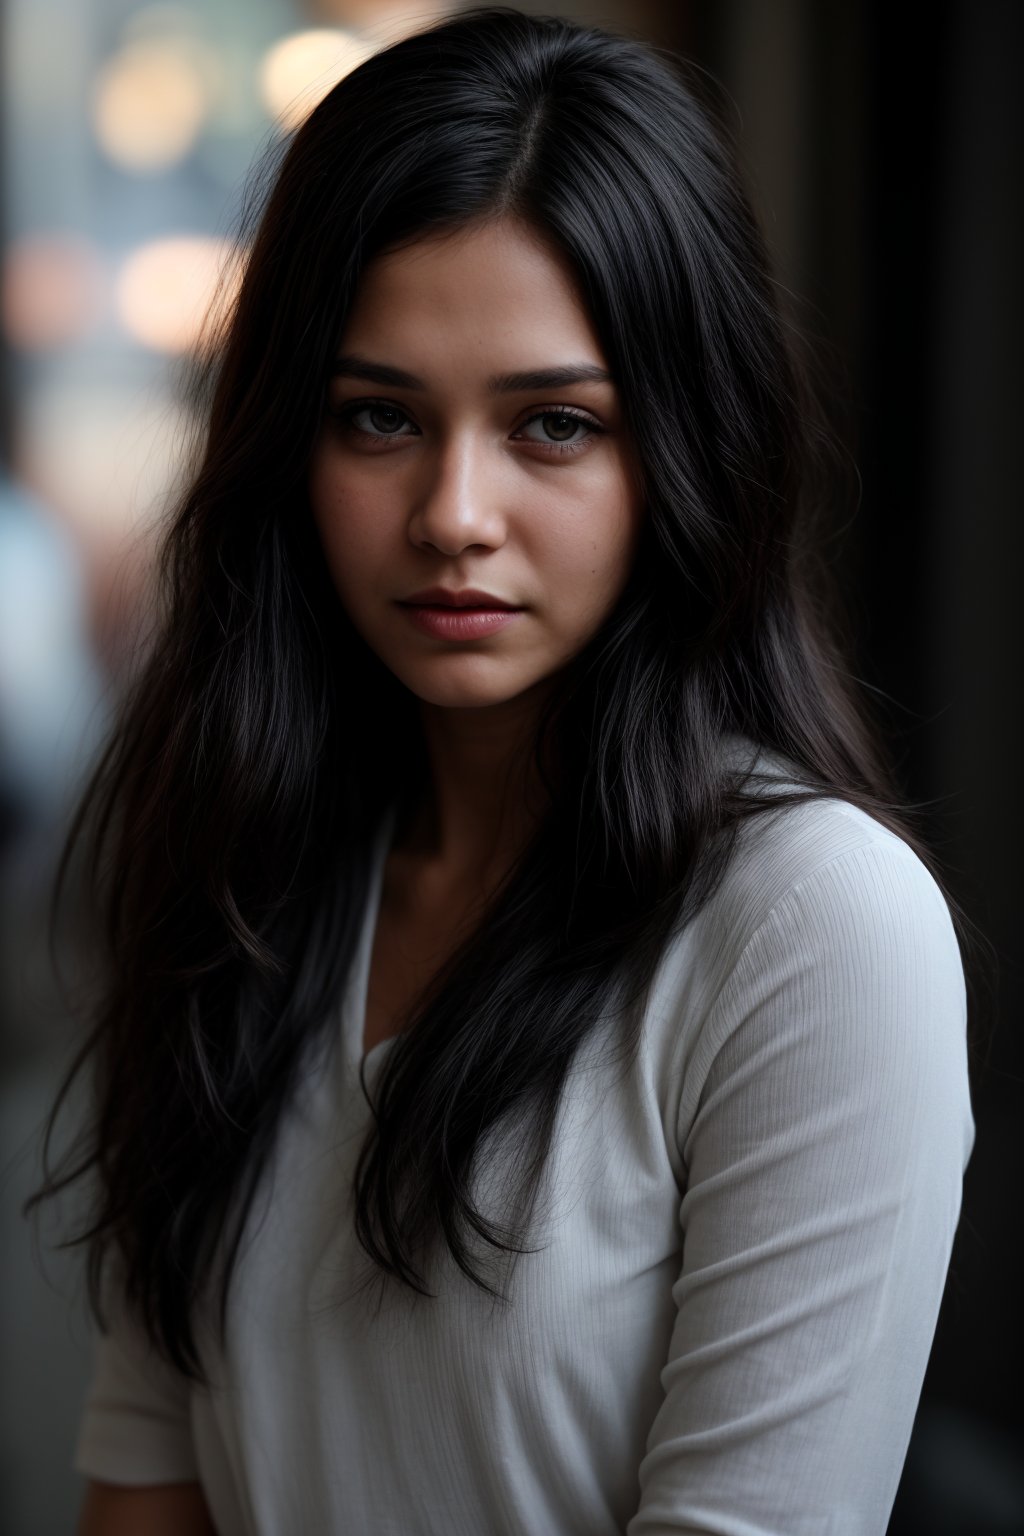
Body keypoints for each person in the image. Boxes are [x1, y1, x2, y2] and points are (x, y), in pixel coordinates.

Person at [30, 7, 974, 1533]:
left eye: (553, 424)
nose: (453, 513)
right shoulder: (251, 864)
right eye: (381, 417)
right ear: (292, 444)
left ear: (683, 448)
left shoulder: (811, 930)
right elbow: (149, 1472)